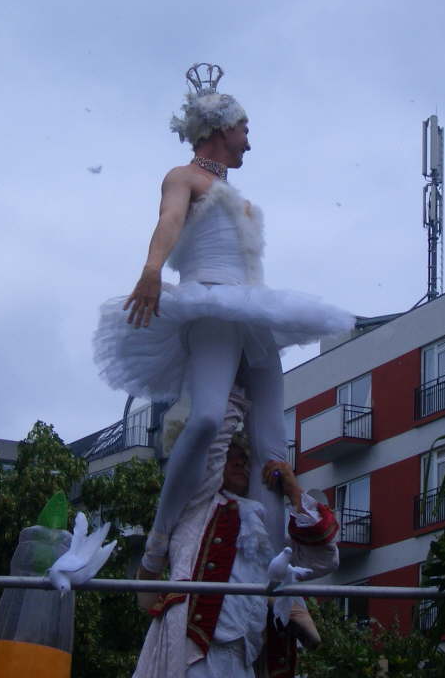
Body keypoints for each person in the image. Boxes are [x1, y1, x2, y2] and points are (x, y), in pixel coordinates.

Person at [94, 63, 354, 575]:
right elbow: (169, 220)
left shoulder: (243, 200)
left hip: (250, 312)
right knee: (209, 416)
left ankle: (271, 562)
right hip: (210, 302)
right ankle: (160, 536)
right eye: (245, 129)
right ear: (219, 129)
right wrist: (151, 269)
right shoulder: (183, 177)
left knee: (272, 443)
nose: (249, 142)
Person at [132, 394, 340, 678]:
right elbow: (210, 441)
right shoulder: (196, 504)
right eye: (232, 457)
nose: (239, 464)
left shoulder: (262, 521)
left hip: (245, 658)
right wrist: (235, 387)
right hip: (195, 651)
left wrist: (293, 490)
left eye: (245, 459)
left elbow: (323, 559)